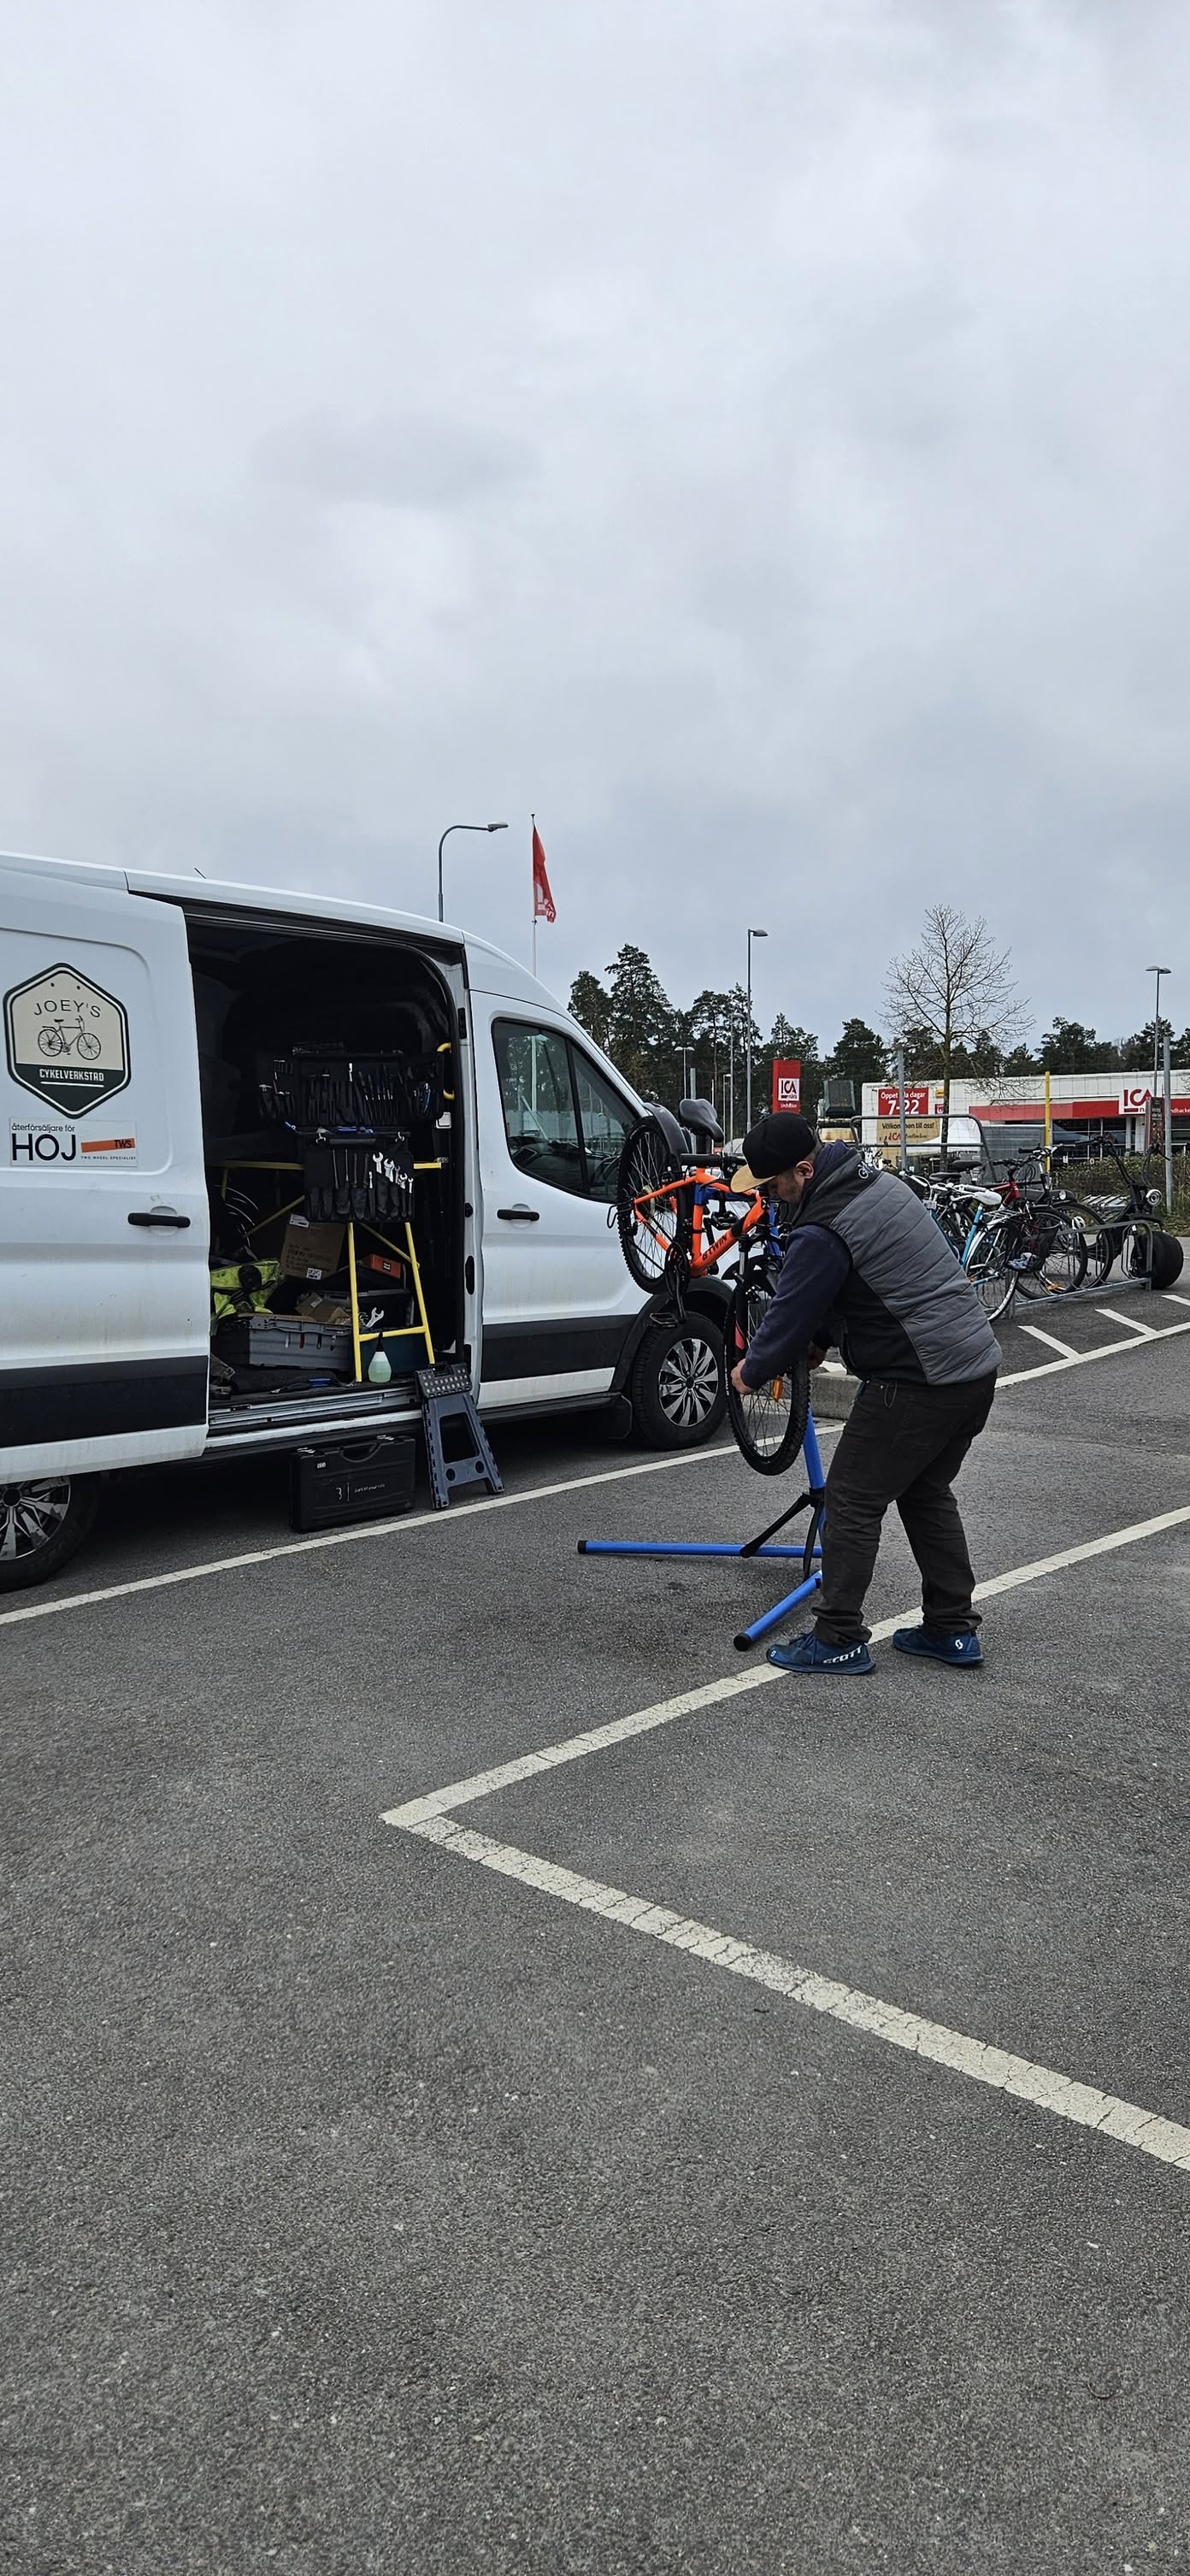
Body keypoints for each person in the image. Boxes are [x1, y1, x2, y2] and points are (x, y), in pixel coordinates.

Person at [728, 1111, 999, 1676]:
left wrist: (751, 1371)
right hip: (973, 1369)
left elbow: (790, 1309)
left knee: (851, 1498)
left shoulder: (821, 1226)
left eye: (773, 1185)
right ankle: (951, 1629)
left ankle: (837, 1637)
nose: (769, 1197)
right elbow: (873, 1282)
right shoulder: (875, 1184)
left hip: (918, 1379)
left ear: (804, 1171)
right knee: (925, 1492)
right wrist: (824, 1339)